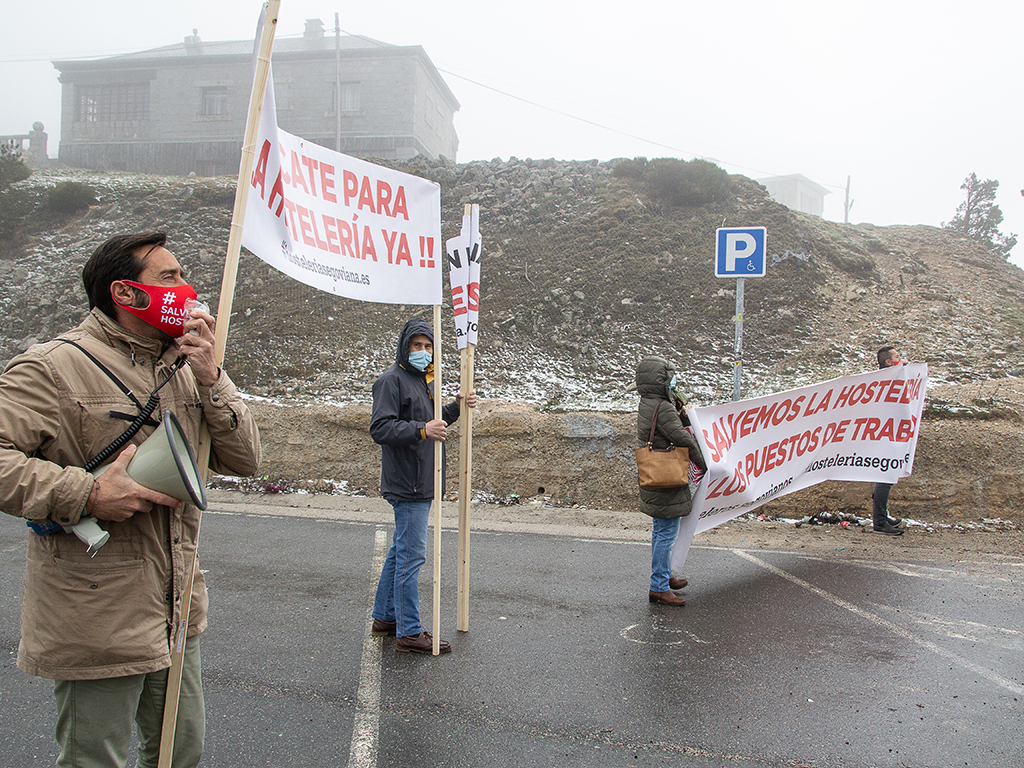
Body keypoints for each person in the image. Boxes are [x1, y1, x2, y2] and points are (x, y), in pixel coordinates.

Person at [0, 232, 261, 768]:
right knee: (95, 759)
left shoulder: (186, 367)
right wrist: (88, 493)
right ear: (125, 292)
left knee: (178, 751)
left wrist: (212, 379)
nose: (186, 288)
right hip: (97, 612)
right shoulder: (52, 366)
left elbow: (245, 460)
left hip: (175, 607)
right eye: (169, 277)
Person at [369, 318, 476, 653]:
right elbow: (380, 428)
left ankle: (386, 617)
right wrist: (421, 430)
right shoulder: (391, 380)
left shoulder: (424, 380)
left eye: (428, 346)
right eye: (417, 345)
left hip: (422, 479)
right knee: (411, 556)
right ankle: (410, 631)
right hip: (408, 482)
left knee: (400, 552)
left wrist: (455, 408)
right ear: (405, 347)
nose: (423, 351)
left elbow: (431, 419)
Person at [635, 355, 707, 606]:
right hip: (667, 477)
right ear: (661, 379)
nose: (674, 381)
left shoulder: (649, 402)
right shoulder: (662, 407)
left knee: (661, 531)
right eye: (670, 377)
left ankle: (663, 577)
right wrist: (705, 464)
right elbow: (683, 439)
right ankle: (658, 586)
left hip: (655, 476)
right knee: (666, 533)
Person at [872, 346, 907, 536]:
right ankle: (879, 521)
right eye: (897, 357)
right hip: (884, 434)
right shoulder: (886, 379)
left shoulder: (889, 377)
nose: (901, 359)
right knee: (884, 477)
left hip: (888, 432)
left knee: (887, 476)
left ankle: (882, 516)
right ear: (889, 362)